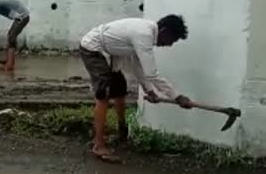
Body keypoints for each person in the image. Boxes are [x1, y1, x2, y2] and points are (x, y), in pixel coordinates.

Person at [79, 15, 193, 163]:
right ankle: (98, 145)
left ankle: (122, 131)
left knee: (120, 88)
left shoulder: (145, 34)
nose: (170, 44)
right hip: (93, 49)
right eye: (172, 39)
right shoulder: (144, 35)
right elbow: (152, 74)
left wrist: (149, 91)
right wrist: (177, 97)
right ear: (164, 31)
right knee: (104, 94)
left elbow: (138, 65)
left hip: (110, 54)